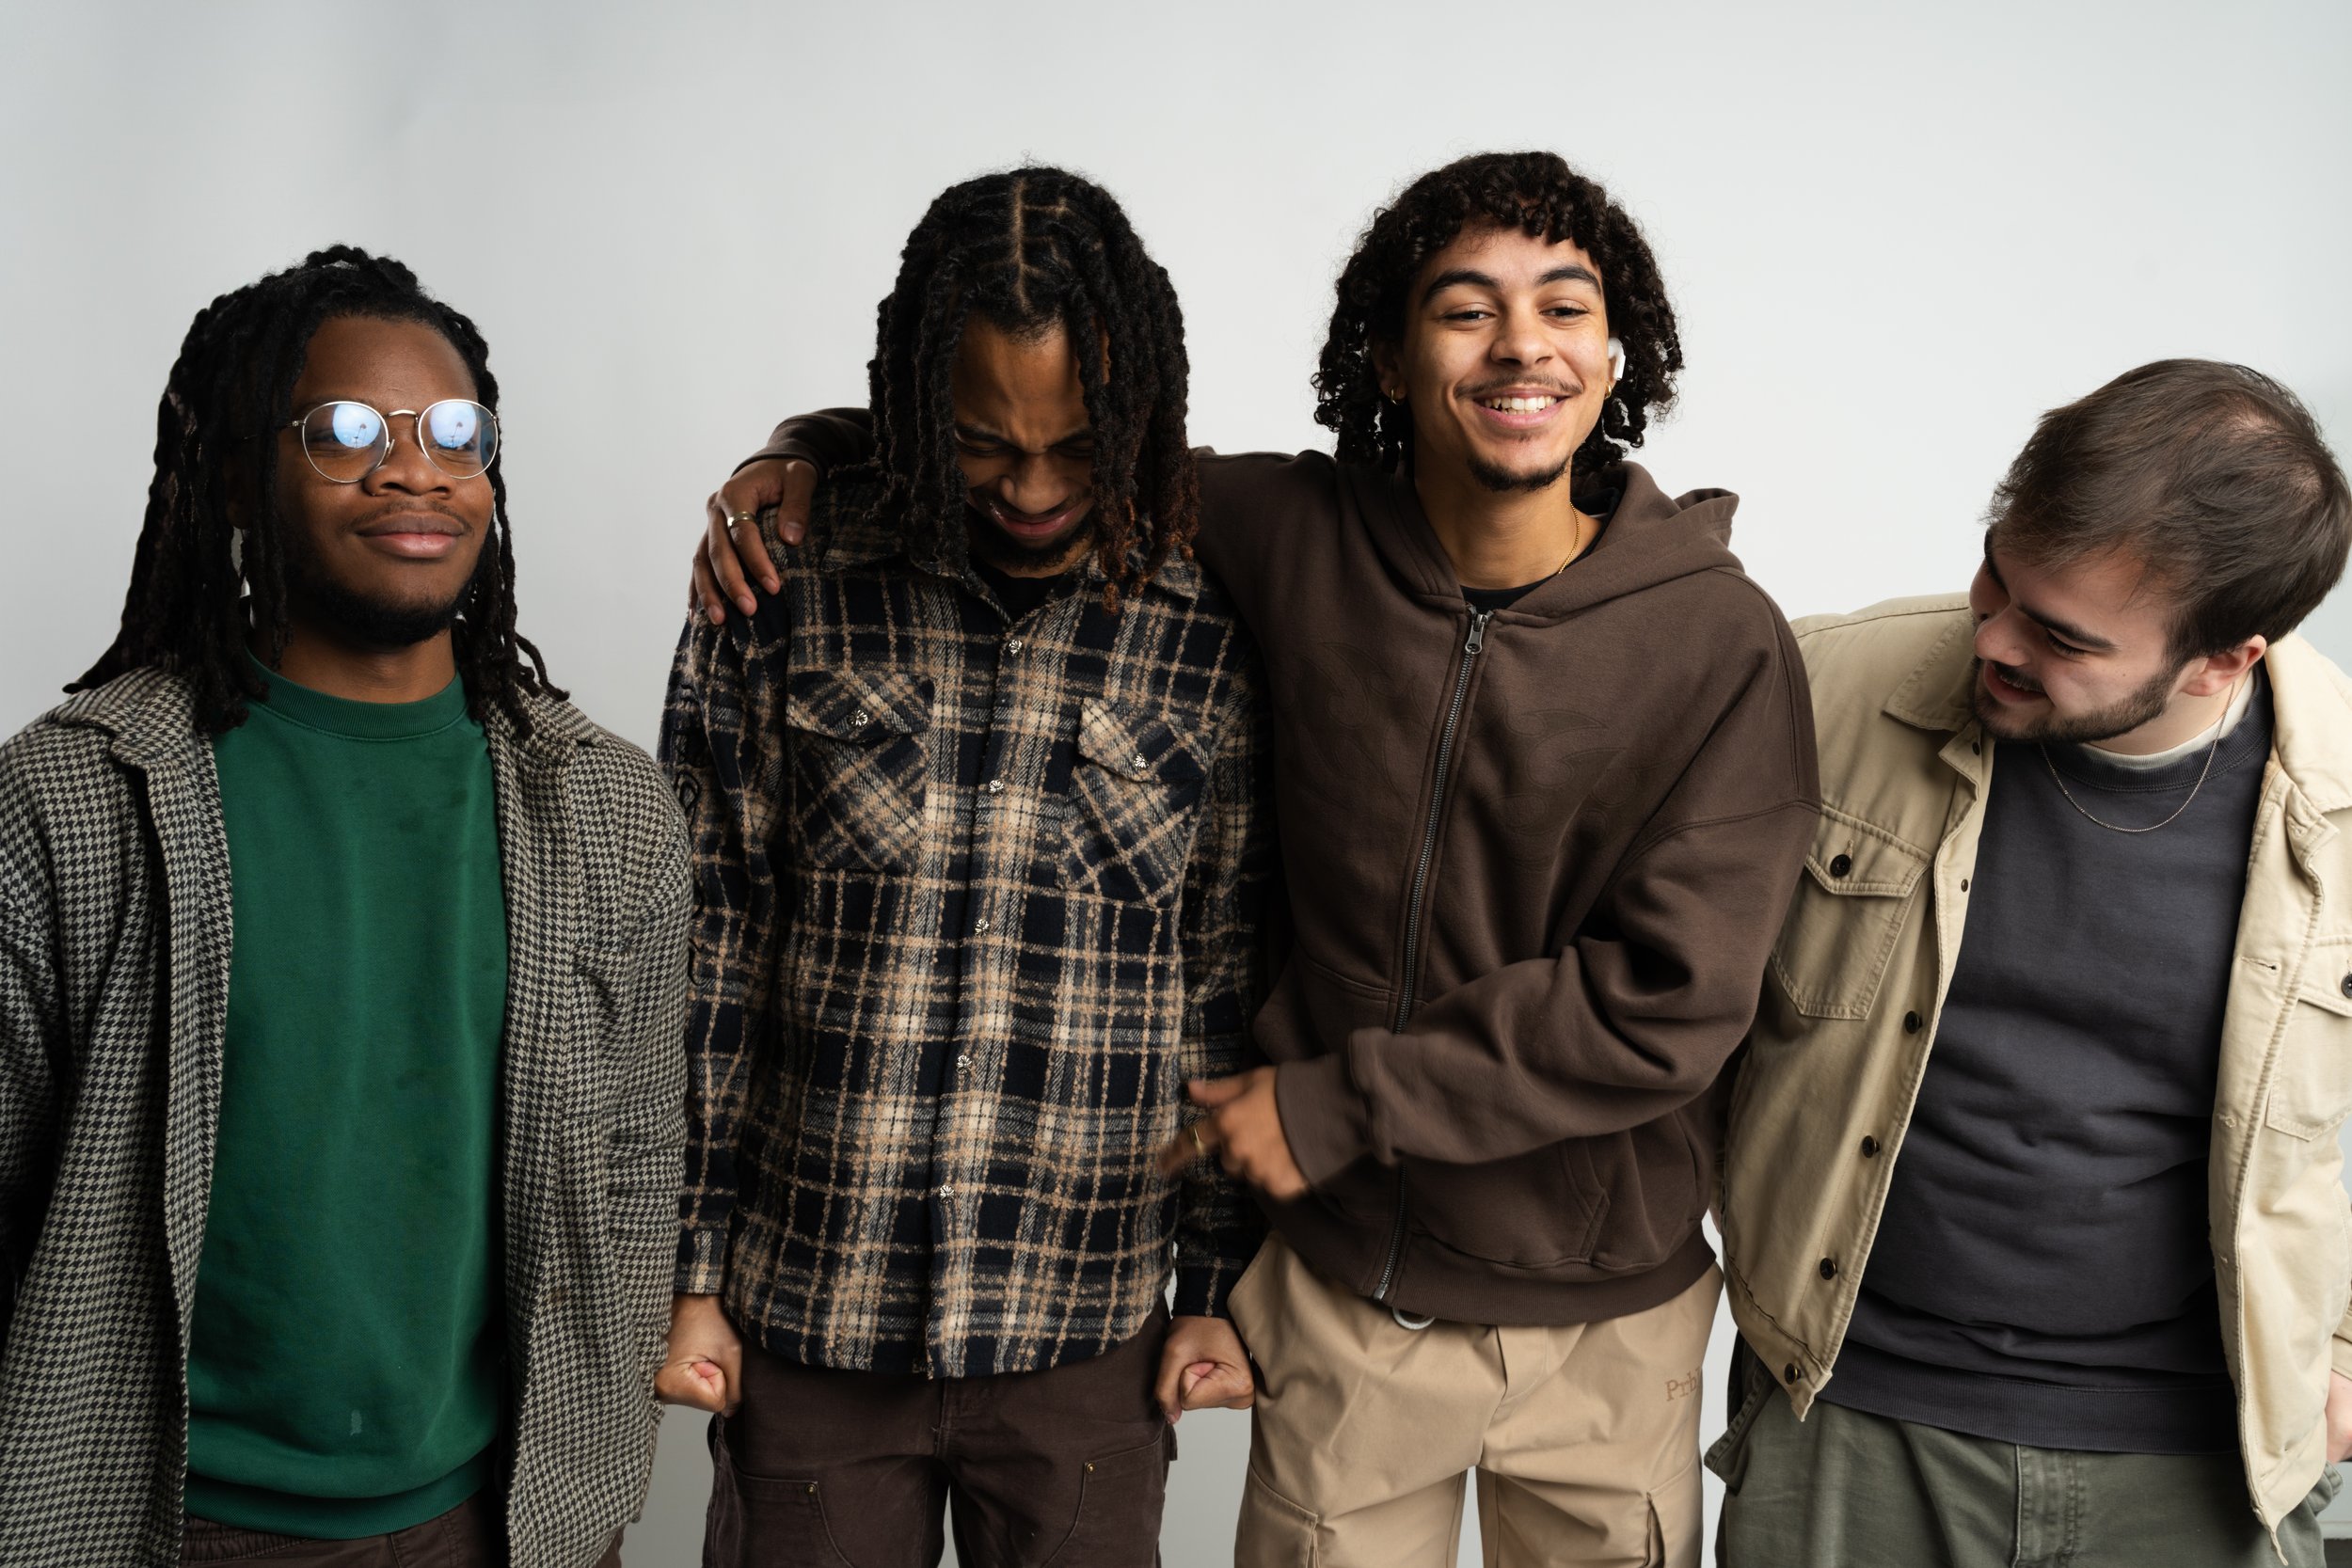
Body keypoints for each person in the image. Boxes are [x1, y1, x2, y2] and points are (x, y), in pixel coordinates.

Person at [698, 150, 1817, 1567]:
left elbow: (1669, 998)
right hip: (1347, 1294)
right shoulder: (1283, 534)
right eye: (1465, 308)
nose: (1520, 344)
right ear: (1390, 355)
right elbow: (1019, 423)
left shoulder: (1718, 640)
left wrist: (1338, 1103)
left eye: (1562, 306)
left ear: (1616, 352)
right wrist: (801, 447)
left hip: (1603, 1311)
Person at [0, 247, 689, 1568]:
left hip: (507, 1516)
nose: (412, 471)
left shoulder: (605, 803)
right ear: (233, 476)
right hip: (168, 1518)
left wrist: (597, 1455)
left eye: (452, 432)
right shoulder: (75, 795)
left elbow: (635, 1154)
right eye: (346, 432)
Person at [656, 167, 1274, 1568]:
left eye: (1078, 446)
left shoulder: (1209, 620)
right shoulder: (784, 582)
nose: (1035, 489)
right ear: (914, 407)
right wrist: (688, 1271)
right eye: (986, 444)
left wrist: (1212, 1280)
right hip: (810, 1307)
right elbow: (707, 947)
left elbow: (1223, 977)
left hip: (1088, 1326)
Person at [1712, 359, 2352, 1567]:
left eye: (2059, 637)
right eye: (1996, 578)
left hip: (2199, 1459)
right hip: (1849, 1417)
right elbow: (1666, 1002)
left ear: (2221, 660)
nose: (1993, 638)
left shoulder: (2338, 802)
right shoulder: (1814, 687)